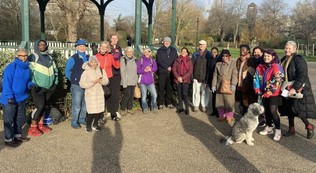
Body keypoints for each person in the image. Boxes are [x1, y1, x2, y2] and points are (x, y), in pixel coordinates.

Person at [279, 41, 316, 139]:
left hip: (298, 88)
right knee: (288, 109)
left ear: (295, 49)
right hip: (286, 87)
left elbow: (302, 74)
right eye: (286, 48)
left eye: (289, 48)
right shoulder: (283, 59)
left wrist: (294, 88)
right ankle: (291, 129)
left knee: (298, 109)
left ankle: (309, 126)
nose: (287, 50)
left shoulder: (298, 59)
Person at [1, 49, 33, 147]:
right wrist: (9, 96)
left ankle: (17, 135)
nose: (24, 57)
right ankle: (9, 139)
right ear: (17, 56)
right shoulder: (11, 67)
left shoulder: (27, 68)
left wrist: (32, 85)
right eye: (21, 55)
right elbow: (6, 82)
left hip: (21, 97)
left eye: (25, 55)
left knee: (20, 118)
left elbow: (27, 81)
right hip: (9, 98)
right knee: (9, 119)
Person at [28, 40, 58, 136]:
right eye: (40, 44)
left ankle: (41, 125)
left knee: (44, 106)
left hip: (49, 86)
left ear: (46, 46)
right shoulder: (33, 56)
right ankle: (32, 127)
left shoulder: (49, 56)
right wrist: (33, 84)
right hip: (38, 87)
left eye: (44, 44)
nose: (42, 46)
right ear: (37, 46)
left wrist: (55, 82)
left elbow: (55, 70)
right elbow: (29, 72)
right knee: (39, 106)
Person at [254, 49, 284, 141]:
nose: (266, 58)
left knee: (273, 111)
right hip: (263, 92)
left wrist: (268, 92)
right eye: (265, 56)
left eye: (268, 56)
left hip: (274, 93)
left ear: (273, 57)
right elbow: (256, 78)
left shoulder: (276, 66)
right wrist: (257, 88)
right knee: (266, 110)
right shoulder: (260, 66)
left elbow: (278, 79)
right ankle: (269, 126)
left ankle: (278, 130)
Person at [79, 56, 109, 133]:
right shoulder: (86, 72)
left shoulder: (101, 70)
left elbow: (106, 81)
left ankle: (95, 124)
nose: (94, 63)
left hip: (99, 93)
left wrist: (101, 81)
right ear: (89, 63)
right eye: (92, 62)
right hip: (90, 93)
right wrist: (94, 82)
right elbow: (82, 84)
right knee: (91, 111)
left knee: (99, 111)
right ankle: (88, 126)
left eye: (95, 62)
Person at [65, 39, 89, 129]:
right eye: (80, 46)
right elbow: (67, 71)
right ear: (77, 47)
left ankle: (82, 119)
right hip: (77, 85)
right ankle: (74, 121)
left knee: (85, 103)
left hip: (86, 84)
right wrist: (73, 79)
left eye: (84, 46)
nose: (82, 48)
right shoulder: (73, 58)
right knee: (76, 104)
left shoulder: (88, 57)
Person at [96, 41, 121, 121]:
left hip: (109, 78)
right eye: (101, 46)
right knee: (100, 97)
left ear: (107, 49)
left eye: (105, 47)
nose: (103, 48)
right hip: (100, 79)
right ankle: (100, 116)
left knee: (111, 96)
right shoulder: (95, 56)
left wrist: (116, 58)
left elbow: (117, 66)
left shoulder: (110, 56)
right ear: (99, 48)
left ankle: (113, 114)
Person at [211, 49, 237, 123]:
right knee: (220, 102)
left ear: (229, 56)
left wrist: (233, 84)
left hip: (229, 85)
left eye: (226, 56)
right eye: (223, 56)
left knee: (229, 102)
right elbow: (215, 75)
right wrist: (213, 85)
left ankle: (229, 116)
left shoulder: (233, 63)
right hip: (219, 85)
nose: (224, 57)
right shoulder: (218, 64)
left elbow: (234, 74)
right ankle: (221, 115)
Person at [156, 36, 178, 109]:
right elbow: (159, 61)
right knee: (161, 88)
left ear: (170, 42)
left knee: (169, 88)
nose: (167, 43)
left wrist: (173, 68)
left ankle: (169, 103)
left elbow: (176, 60)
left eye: (168, 42)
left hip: (171, 72)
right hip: (162, 72)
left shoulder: (174, 50)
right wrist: (166, 67)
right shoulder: (159, 50)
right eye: (165, 41)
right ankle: (160, 103)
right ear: (163, 42)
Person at [235, 44, 257, 115]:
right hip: (240, 82)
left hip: (248, 83)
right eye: (241, 50)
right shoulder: (239, 60)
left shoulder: (251, 60)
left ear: (248, 51)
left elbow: (252, 72)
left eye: (243, 50)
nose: (242, 51)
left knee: (247, 100)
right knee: (240, 99)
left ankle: (246, 114)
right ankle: (242, 112)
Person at [172, 47, 193, 115]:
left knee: (185, 94)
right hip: (178, 79)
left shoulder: (189, 60)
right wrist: (178, 77)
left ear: (187, 53)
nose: (183, 52)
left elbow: (190, 71)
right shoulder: (177, 60)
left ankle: (187, 108)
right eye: (182, 51)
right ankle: (180, 107)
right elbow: (174, 69)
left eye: (185, 51)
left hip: (185, 80)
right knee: (179, 94)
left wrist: (182, 78)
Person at [192, 40, 211, 112]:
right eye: (200, 44)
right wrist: (192, 76)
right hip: (196, 76)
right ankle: (196, 105)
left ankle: (204, 105)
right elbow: (192, 65)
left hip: (205, 76)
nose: (201, 46)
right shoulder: (195, 54)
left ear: (205, 45)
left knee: (205, 92)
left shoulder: (208, 54)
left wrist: (208, 78)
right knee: (196, 91)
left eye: (202, 45)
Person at [137, 48, 158, 113]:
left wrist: (150, 69)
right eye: (145, 52)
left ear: (150, 53)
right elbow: (137, 70)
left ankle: (153, 106)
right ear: (143, 53)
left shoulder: (152, 60)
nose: (147, 53)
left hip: (150, 81)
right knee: (144, 96)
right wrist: (144, 70)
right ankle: (145, 108)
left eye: (148, 52)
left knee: (154, 94)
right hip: (142, 81)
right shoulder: (140, 60)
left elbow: (155, 68)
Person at [120, 47, 138, 116]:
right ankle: (123, 108)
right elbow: (122, 72)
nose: (129, 53)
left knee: (131, 95)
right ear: (125, 52)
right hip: (126, 81)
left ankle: (130, 108)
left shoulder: (135, 60)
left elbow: (136, 71)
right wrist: (124, 83)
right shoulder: (123, 59)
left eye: (131, 52)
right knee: (126, 95)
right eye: (128, 52)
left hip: (133, 80)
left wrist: (136, 80)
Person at [109, 34, 123, 120]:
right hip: (109, 72)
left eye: (116, 38)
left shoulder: (119, 48)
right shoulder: (107, 47)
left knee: (116, 93)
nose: (114, 39)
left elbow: (119, 58)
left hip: (117, 73)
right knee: (108, 92)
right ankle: (109, 111)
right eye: (113, 38)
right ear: (110, 39)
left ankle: (115, 110)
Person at [252, 46, 266, 127]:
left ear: (261, 53)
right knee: (260, 103)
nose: (256, 54)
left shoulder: (262, 61)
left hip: (265, 86)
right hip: (259, 86)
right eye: (255, 52)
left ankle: (267, 121)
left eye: (258, 52)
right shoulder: (255, 61)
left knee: (265, 104)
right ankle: (262, 119)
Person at [207, 47, 221, 116]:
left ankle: (219, 112)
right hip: (211, 80)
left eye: (215, 52)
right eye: (212, 52)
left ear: (217, 52)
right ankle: (214, 111)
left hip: (218, 80)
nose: (213, 53)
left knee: (218, 97)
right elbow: (208, 71)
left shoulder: (219, 60)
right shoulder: (210, 60)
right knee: (213, 96)